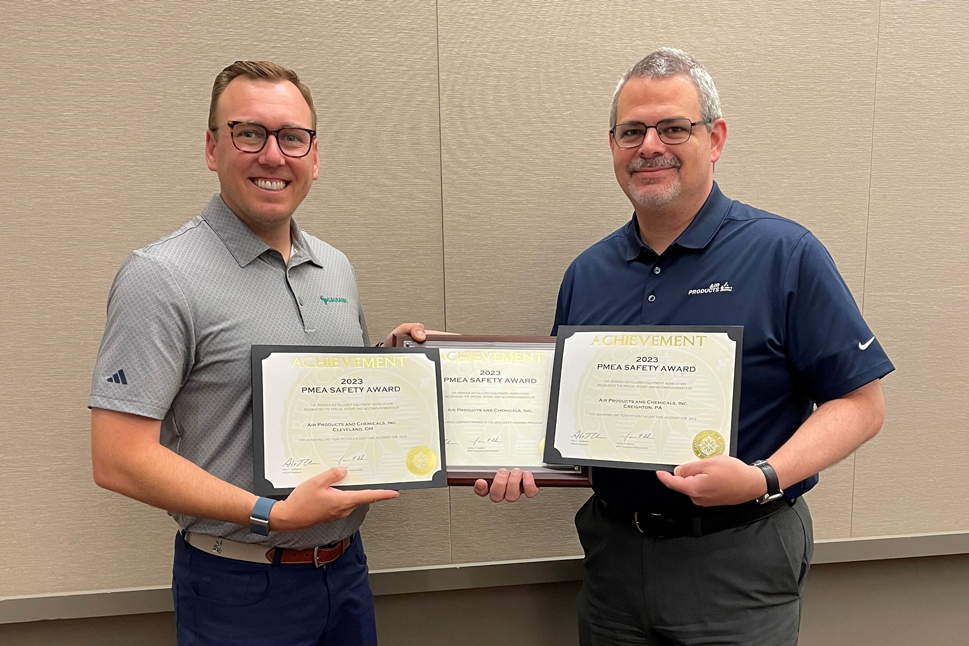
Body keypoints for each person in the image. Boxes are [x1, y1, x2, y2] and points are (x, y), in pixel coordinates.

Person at [551, 48, 894, 645]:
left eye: (673, 128)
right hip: (613, 564)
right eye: (632, 131)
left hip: (739, 560)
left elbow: (861, 405)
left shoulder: (784, 254)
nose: (650, 145)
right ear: (612, 146)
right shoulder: (588, 273)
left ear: (715, 139)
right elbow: (570, 416)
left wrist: (764, 476)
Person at [90, 61, 439, 645]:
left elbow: (320, 403)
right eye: (249, 133)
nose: (273, 155)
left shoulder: (335, 266)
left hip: (346, 572)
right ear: (212, 147)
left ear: (315, 155)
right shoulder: (160, 276)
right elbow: (118, 457)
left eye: (292, 137)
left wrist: (391, 367)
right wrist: (269, 514)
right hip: (237, 586)